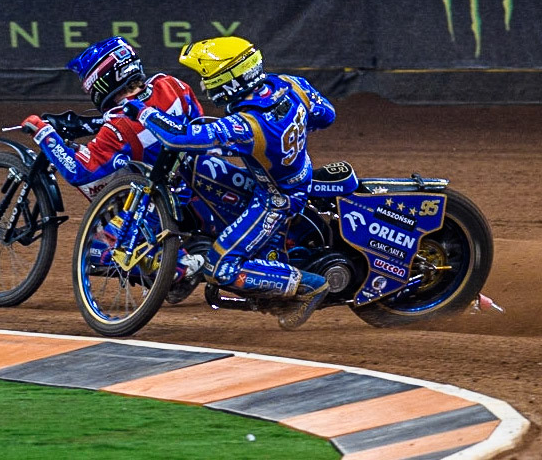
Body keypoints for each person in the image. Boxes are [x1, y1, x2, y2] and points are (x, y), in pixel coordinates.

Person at [123, 36, 336, 329]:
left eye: (208, 78)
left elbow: (179, 137)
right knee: (204, 169)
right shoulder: (289, 84)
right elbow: (326, 115)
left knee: (219, 267)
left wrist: (143, 111)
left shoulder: (247, 125)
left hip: (276, 197)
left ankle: (309, 286)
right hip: (293, 174)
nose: (204, 86)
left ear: (229, 81)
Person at [19, 36, 207, 289]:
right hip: (199, 179)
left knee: (97, 247)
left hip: (160, 198)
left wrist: (44, 133)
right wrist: (86, 124)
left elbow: (79, 171)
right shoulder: (172, 84)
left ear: (101, 81)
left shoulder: (117, 126)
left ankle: (171, 265)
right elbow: (150, 121)